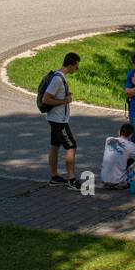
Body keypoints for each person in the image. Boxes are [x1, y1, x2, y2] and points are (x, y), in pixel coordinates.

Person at [44, 52, 80, 186]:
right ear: (71, 64)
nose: (77, 69)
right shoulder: (58, 79)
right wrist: (64, 100)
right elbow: (46, 99)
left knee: (55, 145)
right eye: (76, 66)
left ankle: (54, 177)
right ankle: (71, 179)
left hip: (55, 118)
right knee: (71, 146)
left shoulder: (60, 77)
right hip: (59, 120)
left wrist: (65, 97)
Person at [100, 123, 135, 190]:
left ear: (120, 132)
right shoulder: (130, 145)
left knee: (127, 160)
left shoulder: (109, 140)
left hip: (104, 181)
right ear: (131, 135)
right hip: (119, 183)